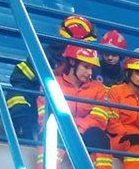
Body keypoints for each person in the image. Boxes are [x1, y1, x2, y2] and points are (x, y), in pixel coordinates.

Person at [7, 14, 96, 142]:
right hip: (39, 101)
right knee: (16, 96)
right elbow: (20, 78)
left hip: (69, 111)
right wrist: (38, 90)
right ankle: (24, 134)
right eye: (88, 41)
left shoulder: (87, 61)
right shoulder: (46, 55)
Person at [34, 45, 113, 169]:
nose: (90, 72)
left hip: (84, 132)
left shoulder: (98, 88)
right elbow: (45, 114)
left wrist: (77, 128)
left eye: (92, 68)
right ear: (72, 62)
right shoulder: (53, 83)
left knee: (99, 137)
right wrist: (70, 127)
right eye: (86, 67)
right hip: (60, 129)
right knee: (52, 132)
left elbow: (99, 118)